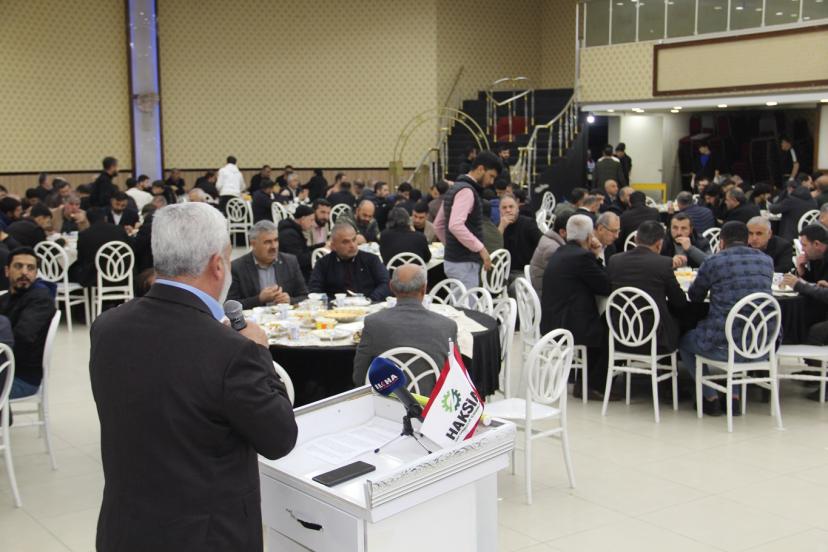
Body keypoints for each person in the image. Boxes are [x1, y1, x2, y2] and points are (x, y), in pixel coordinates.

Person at [89, 202, 296, 551]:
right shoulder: (232, 351)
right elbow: (280, 438)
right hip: (207, 537)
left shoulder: (107, 327)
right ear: (218, 265)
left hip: (125, 529)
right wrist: (260, 353)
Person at [679, 221, 773, 416]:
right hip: (760, 344)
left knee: (685, 342)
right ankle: (734, 397)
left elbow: (695, 296)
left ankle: (709, 397)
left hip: (724, 345)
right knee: (741, 325)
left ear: (721, 242)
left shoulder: (714, 261)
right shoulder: (766, 260)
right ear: (747, 239)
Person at [541, 215, 612, 401]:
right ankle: (592, 385)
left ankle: (583, 380)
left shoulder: (561, 251)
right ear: (589, 237)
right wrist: (598, 255)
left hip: (552, 320)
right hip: (568, 324)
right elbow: (605, 286)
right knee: (609, 328)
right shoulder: (582, 257)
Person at [352, 264, 456, 388]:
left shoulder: (373, 323)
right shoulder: (447, 326)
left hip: (385, 398)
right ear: (424, 288)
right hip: (432, 398)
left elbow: (359, 377)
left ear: (391, 287)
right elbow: (455, 375)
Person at [607, 221, 687, 354]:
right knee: (684, 321)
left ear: (635, 239)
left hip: (620, 334)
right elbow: (679, 301)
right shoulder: (663, 263)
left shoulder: (614, 260)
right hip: (656, 339)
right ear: (659, 244)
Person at [433, 151, 501, 289]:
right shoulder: (467, 191)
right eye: (491, 176)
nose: (492, 182)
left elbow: (438, 225)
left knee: (459, 301)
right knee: (466, 303)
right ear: (480, 169)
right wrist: (480, 248)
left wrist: (451, 246)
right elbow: (455, 225)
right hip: (464, 263)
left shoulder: (455, 188)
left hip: (455, 261)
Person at [0, 248, 56, 398]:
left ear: (36, 273)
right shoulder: (6, 298)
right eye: (18, 266)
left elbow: (22, 339)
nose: (24, 272)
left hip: (21, 378)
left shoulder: (40, 300)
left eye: (30, 268)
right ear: (7, 271)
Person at [229, 221, 307, 309]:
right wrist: (259, 299)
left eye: (276, 240)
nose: (274, 246)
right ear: (253, 244)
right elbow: (231, 306)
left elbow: (304, 296)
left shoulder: (290, 262)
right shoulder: (237, 267)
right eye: (267, 242)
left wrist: (290, 300)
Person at [309, 223, 390, 301]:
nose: (352, 245)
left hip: (370, 305)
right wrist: (332, 302)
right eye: (345, 242)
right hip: (335, 307)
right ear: (333, 246)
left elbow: (385, 283)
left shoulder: (371, 260)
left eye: (354, 240)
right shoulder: (323, 264)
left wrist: (370, 299)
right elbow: (315, 290)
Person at [69, 208, 131, 288]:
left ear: (88, 220)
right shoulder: (120, 230)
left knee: (72, 270)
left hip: (96, 279)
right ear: (105, 218)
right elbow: (130, 249)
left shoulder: (85, 234)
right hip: (122, 274)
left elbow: (81, 259)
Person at [498, 195, 541, 278]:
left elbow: (541, 243)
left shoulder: (528, 223)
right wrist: (501, 228)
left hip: (525, 271)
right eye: (504, 208)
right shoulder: (498, 227)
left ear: (517, 208)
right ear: (500, 211)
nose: (508, 210)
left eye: (511, 207)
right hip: (503, 272)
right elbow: (493, 252)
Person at [278, 204, 324, 281]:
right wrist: (319, 253)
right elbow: (300, 260)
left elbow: (303, 250)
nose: (313, 224)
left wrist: (322, 246)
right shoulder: (289, 235)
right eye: (311, 220)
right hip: (292, 276)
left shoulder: (294, 230)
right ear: (303, 219)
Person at [529, 212, 569, 298]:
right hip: (545, 295)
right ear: (562, 232)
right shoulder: (553, 249)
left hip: (543, 287)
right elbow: (560, 279)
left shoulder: (549, 238)